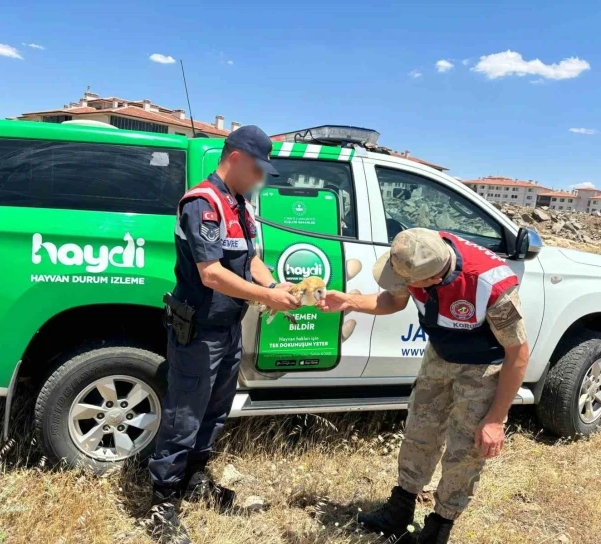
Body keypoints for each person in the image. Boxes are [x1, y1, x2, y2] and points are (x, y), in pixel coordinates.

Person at [318, 228, 530, 544]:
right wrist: (348, 301)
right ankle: (399, 510)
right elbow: (393, 300)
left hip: (483, 366)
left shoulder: (491, 286)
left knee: (465, 450)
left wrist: (495, 419)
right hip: (440, 354)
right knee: (420, 429)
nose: (400, 283)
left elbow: (518, 353)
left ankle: (438, 528)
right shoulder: (418, 252)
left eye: (407, 282)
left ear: (432, 279)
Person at [147, 125, 299, 543]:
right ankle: (162, 500)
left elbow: (251, 261)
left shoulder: (240, 205)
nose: (260, 178)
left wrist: (274, 287)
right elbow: (211, 274)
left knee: (215, 411)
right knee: (184, 415)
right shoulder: (203, 203)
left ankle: (194, 477)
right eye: (257, 169)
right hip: (199, 329)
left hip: (228, 326)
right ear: (235, 158)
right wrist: (266, 296)